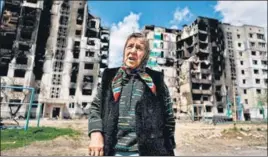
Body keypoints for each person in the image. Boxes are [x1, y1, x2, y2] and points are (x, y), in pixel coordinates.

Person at [88, 32, 176, 156]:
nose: (133, 51)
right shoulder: (109, 77)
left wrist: (167, 147)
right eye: (129, 46)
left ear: (146, 55)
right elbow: (95, 108)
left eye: (139, 48)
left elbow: (169, 118)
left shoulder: (156, 80)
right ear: (124, 51)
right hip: (112, 151)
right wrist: (95, 133)